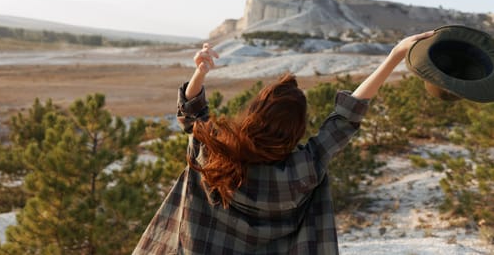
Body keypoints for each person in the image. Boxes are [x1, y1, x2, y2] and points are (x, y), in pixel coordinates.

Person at [133, 31, 435, 255]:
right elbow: (347, 115)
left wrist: (200, 72)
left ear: (254, 112)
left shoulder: (214, 152)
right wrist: (395, 55)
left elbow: (191, 114)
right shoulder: (307, 167)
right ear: (298, 129)